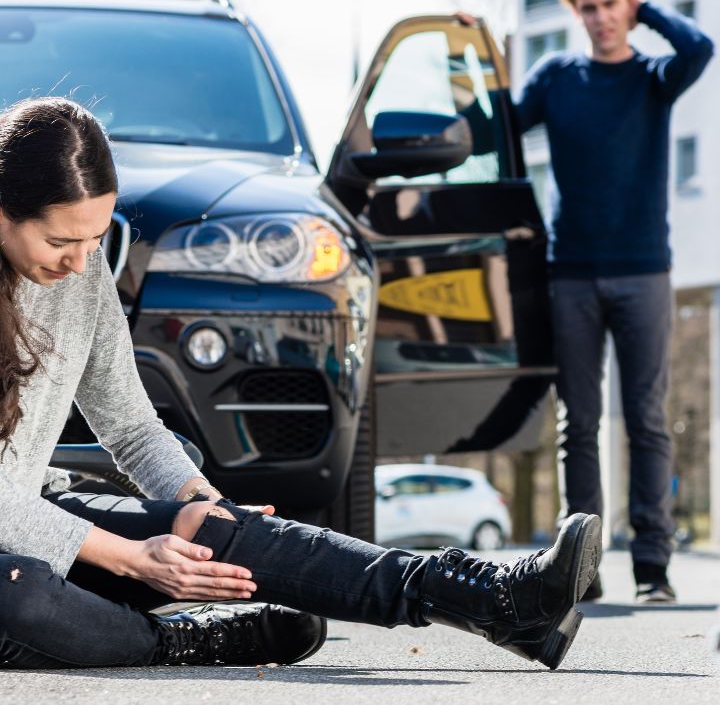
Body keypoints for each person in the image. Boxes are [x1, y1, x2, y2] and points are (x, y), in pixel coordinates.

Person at [0, 97, 601, 671]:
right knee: (21, 596)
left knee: (208, 527)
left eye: (95, 240)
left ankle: (495, 602)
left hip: (39, 513)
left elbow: (132, 430)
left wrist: (208, 507)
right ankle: (187, 640)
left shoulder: (81, 272)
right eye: (60, 242)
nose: (80, 263)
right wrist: (133, 558)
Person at [515, 0, 714, 602]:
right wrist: (472, 47)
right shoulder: (557, 77)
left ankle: (653, 567)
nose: (601, 18)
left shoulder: (654, 78)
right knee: (578, 424)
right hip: (571, 273)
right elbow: (501, 123)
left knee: (647, 420)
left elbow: (700, 47)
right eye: (589, 9)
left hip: (643, 272)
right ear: (577, 16)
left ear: (627, 5)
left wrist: (646, 8)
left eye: (610, 4)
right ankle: (582, 568)